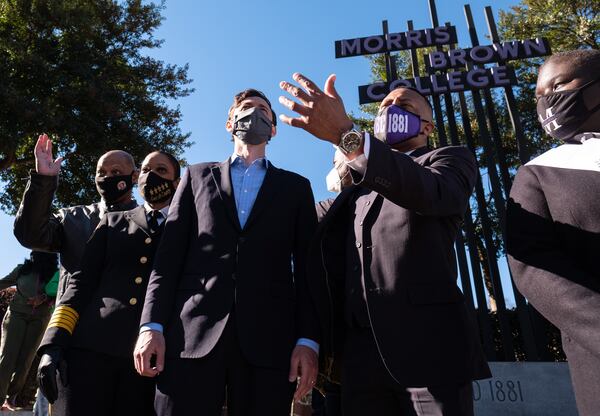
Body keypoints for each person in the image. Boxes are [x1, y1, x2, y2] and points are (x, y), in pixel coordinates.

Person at [279, 73, 491, 416]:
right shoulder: (350, 194)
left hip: (429, 352)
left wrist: (346, 136)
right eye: (384, 105)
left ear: (428, 127)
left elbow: (432, 192)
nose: (391, 108)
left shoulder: (449, 160)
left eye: (403, 104)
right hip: (357, 361)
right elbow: (290, 228)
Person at [133, 89, 319, 416]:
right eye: (246, 109)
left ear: (273, 128)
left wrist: (308, 341)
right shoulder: (195, 176)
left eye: (263, 110)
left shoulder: (296, 188)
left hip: (269, 344)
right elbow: (168, 260)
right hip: (190, 338)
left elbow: (308, 272)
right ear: (230, 123)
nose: (254, 114)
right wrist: (151, 326)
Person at [35, 150, 181, 416]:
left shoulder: (187, 230)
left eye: (161, 171)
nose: (152, 176)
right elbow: (79, 284)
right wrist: (53, 345)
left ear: (177, 184)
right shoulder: (113, 222)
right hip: (89, 353)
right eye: (146, 170)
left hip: (149, 364)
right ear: (137, 179)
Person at [506, 49, 600, 416]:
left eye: (558, 86)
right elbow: (533, 266)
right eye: (539, 96)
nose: (547, 102)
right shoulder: (541, 174)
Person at [14, 134, 139, 302]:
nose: (107, 177)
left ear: (134, 177)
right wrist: (43, 180)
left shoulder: (148, 224)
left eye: (115, 172)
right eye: (101, 172)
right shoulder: (71, 218)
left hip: (124, 322)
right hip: (70, 321)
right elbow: (30, 235)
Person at [0, 251, 57, 410]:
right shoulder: (21, 270)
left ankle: (13, 398)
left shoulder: (55, 273)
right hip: (17, 315)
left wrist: (44, 298)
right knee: (8, 358)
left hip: (39, 319)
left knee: (25, 362)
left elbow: (61, 292)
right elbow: (2, 283)